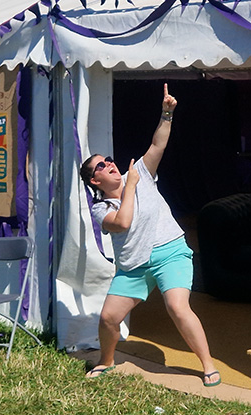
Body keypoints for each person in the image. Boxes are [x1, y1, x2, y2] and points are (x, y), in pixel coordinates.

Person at [79, 83, 221, 387]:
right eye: (101, 165)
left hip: (170, 252)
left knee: (178, 308)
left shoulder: (140, 173)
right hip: (134, 265)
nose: (110, 164)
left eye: (109, 159)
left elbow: (158, 145)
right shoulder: (101, 208)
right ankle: (106, 361)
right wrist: (129, 186)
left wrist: (167, 114)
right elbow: (123, 223)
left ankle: (208, 365)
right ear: (95, 180)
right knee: (108, 318)